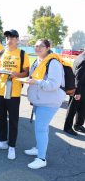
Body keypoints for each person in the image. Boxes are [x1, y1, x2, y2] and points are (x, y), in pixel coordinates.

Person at [25, 39, 66, 169]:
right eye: (35, 46)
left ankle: (41, 159)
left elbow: (53, 85)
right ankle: (38, 148)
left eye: (41, 46)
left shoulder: (53, 62)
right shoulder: (38, 61)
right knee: (42, 128)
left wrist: (36, 82)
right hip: (40, 100)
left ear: (48, 47)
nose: (37, 48)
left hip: (49, 102)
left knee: (41, 129)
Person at [0, 29, 29, 160]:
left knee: (13, 120)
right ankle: (2, 142)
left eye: (12, 37)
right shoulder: (0, 53)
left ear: (17, 39)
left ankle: (12, 146)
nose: (9, 40)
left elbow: (26, 73)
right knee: (0, 117)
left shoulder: (22, 54)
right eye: (7, 38)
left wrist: (16, 74)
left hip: (14, 91)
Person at [63, 51, 85, 135]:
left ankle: (78, 125)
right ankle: (67, 127)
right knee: (72, 109)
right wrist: (77, 93)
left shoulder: (81, 56)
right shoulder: (83, 59)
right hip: (78, 89)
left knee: (82, 108)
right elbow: (78, 77)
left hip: (82, 89)